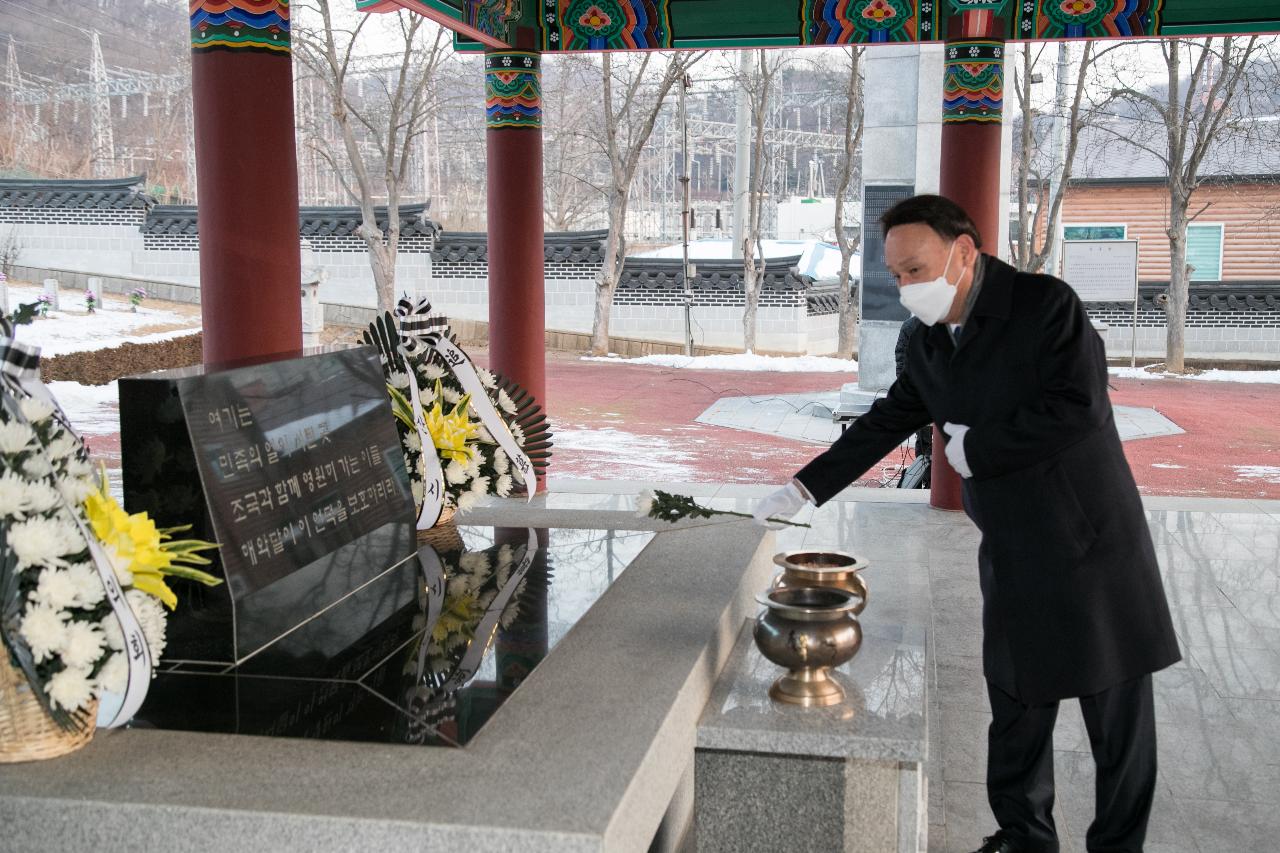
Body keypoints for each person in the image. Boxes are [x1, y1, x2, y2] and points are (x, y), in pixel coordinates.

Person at [752, 195, 1180, 853]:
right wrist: (803, 486)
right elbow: (887, 419)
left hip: (1088, 541)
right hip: (1011, 542)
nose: (906, 286)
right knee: (1015, 701)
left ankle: (1118, 845)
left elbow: (1081, 406)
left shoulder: (1044, 307)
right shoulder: (925, 341)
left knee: (1114, 711)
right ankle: (1023, 836)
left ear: (963, 252)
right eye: (895, 274)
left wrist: (976, 448)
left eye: (915, 268)